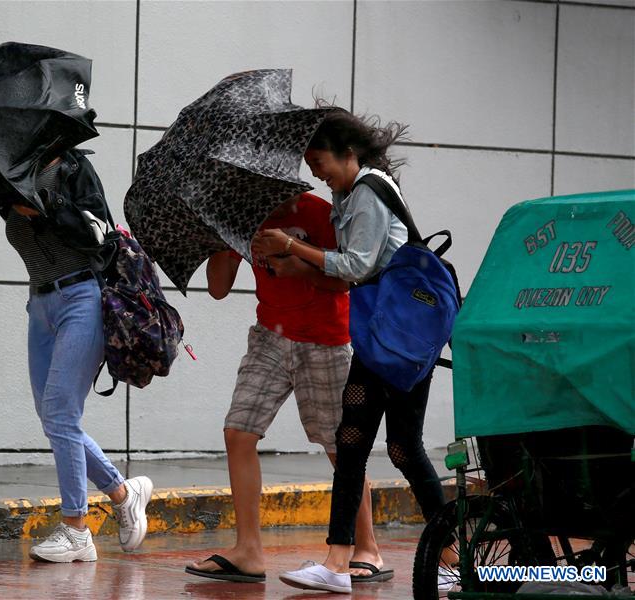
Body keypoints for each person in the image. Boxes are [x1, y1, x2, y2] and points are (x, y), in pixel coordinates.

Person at [252, 109, 452, 594]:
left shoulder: (366, 191)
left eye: (318, 160)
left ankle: (453, 554)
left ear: (348, 153)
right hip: (379, 334)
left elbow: (358, 265)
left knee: (405, 449)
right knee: (352, 442)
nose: (314, 171)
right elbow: (350, 269)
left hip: (399, 337)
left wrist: (293, 249)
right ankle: (336, 560)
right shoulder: (349, 193)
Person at [185, 191, 388, 585]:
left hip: (324, 339)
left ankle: (367, 548)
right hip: (269, 336)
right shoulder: (237, 213)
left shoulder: (317, 213)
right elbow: (218, 288)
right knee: (238, 431)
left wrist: (296, 262)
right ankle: (248, 550)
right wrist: (220, 242)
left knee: (340, 446)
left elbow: (347, 279)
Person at [4, 147, 153, 563]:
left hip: (81, 297)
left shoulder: (73, 168)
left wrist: (45, 209)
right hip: (40, 306)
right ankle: (124, 493)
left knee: (60, 414)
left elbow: (99, 233)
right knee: (53, 417)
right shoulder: (9, 174)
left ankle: (76, 529)